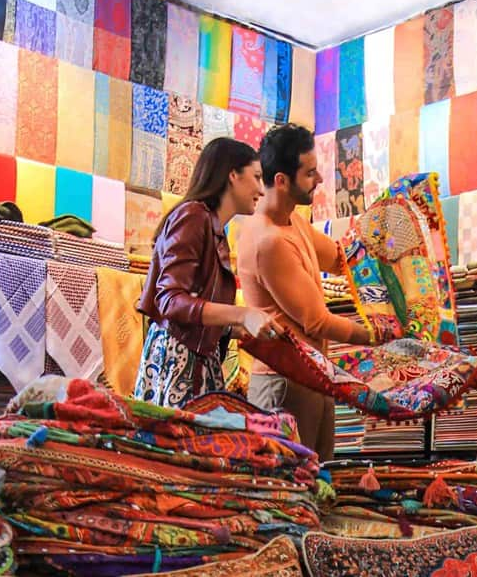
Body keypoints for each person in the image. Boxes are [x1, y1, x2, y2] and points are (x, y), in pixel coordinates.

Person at [237, 124, 376, 461]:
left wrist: (388, 241)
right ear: (282, 180)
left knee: (320, 484)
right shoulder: (269, 241)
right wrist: (376, 335)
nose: (320, 180)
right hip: (284, 384)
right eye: (310, 173)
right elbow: (316, 321)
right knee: (288, 491)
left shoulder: (294, 223)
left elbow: (341, 260)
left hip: (312, 376)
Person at [135, 138, 284, 409]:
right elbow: (171, 301)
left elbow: (196, 307)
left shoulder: (212, 226)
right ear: (232, 175)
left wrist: (237, 329)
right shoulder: (193, 216)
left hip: (195, 360)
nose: (261, 191)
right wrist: (243, 314)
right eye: (256, 177)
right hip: (178, 361)